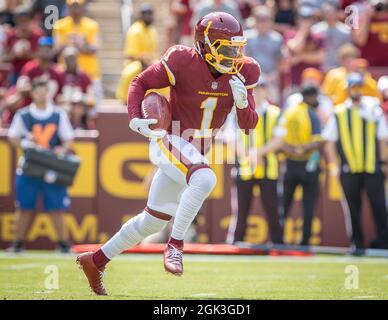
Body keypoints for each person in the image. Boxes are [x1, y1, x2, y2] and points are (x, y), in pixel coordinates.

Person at [76, 12, 260, 295]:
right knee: (205, 180)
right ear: (205, 45)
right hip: (170, 139)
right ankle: (175, 245)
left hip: (194, 151)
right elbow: (140, 82)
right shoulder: (181, 60)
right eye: (227, 49)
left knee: (151, 220)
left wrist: (243, 102)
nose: (235, 56)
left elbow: (248, 126)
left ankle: (96, 260)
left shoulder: (245, 71)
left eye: (238, 48)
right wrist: (134, 116)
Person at [323, 72, 388, 255]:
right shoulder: (340, 112)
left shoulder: (373, 109)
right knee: (352, 208)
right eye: (353, 87)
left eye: (359, 87)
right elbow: (329, 141)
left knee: (380, 206)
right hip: (349, 168)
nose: (356, 91)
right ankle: (357, 245)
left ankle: (386, 244)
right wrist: (334, 165)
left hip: (372, 167)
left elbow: (382, 138)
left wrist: (383, 162)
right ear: (348, 89)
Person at [6, 77, 75, 253]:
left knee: (57, 208)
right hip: (29, 167)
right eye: (38, 92)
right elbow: (13, 138)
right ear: (33, 93)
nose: (41, 95)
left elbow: (68, 140)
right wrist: (24, 142)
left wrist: (62, 149)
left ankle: (63, 243)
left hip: (52, 167)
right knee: (24, 207)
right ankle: (18, 243)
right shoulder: (23, 115)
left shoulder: (58, 114)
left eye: (44, 91)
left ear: (48, 93)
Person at [227, 77, 285, 245]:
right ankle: (236, 243)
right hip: (244, 169)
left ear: (266, 90)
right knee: (240, 211)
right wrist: (248, 155)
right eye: (254, 88)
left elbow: (280, 138)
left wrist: (259, 153)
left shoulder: (275, 112)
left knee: (273, 210)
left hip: (268, 169)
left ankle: (278, 244)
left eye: (261, 88)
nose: (257, 92)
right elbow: (231, 139)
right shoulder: (237, 111)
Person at [280, 84, 323, 247]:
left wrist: (292, 150)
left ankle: (279, 240)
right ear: (310, 97)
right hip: (308, 165)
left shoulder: (288, 113)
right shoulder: (312, 114)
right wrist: (301, 149)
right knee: (308, 207)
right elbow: (318, 141)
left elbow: (280, 139)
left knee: (284, 205)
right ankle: (305, 242)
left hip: (290, 164)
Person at [53, 0, 102, 102]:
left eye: (78, 7)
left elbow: (95, 48)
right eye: (72, 7)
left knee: (93, 107)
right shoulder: (59, 25)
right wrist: (69, 42)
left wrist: (80, 45)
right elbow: (56, 49)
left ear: (83, 7)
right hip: (67, 76)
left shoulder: (92, 25)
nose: (75, 10)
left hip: (90, 73)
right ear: (68, 8)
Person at [245, 5, 283, 104]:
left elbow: (280, 62)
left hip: (271, 80)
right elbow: (244, 58)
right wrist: (256, 77)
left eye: (267, 19)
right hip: (251, 81)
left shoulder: (277, 38)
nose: (265, 23)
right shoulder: (247, 37)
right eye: (261, 19)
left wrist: (271, 77)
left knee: (273, 108)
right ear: (255, 21)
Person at [2, 7, 42, 84]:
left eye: (26, 21)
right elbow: (3, 57)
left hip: (33, 72)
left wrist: (28, 53)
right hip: (15, 72)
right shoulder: (10, 35)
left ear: (30, 21)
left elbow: (43, 57)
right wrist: (15, 54)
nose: (23, 24)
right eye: (20, 21)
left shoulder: (38, 35)